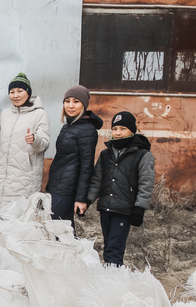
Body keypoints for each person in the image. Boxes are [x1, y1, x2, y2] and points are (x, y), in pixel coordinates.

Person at [86, 111, 155, 266]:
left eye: (122, 129)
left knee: (114, 249)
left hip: (124, 210)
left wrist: (140, 208)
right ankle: (110, 278)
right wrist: (88, 200)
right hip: (106, 208)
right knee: (108, 247)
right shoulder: (106, 154)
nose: (117, 133)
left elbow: (146, 183)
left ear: (132, 130)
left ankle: (113, 282)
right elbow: (97, 180)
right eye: (115, 129)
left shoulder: (143, 155)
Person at [0, 72, 50, 211]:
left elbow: (44, 143)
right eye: (12, 92)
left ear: (28, 92)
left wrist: (34, 139)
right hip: (0, 175)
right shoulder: (4, 114)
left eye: (20, 91)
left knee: (18, 218)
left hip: (25, 176)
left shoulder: (39, 114)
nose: (15, 95)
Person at [45, 85, 103, 229]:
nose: (70, 105)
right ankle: (76, 252)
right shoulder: (68, 126)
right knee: (65, 231)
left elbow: (87, 166)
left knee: (53, 228)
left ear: (83, 104)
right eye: (67, 101)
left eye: (76, 101)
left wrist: (81, 198)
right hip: (58, 185)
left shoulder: (87, 129)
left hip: (67, 189)